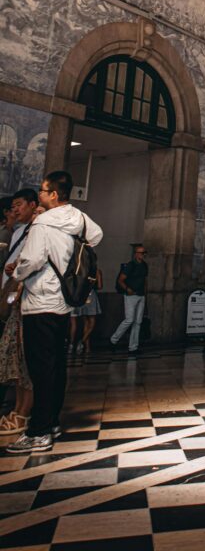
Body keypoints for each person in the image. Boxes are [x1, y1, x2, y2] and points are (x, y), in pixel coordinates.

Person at [6, 170, 103, 454]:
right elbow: (96, 236)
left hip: (40, 302)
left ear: (54, 195)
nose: (40, 194)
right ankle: (52, 422)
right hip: (63, 301)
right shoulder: (79, 219)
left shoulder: (43, 224)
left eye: (44, 191)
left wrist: (18, 272)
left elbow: (33, 260)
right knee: (56, 366)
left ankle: (39, 432)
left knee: (41, 369)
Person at [0, 188, 40, 437]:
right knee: (14, 356)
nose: (15, 209)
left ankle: (24, 412)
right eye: (13, 205)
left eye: (19, 204)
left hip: (30, 301)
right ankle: (16, 408)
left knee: (27, 358)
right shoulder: (17, 232)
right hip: (14, 298)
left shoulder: (38, 232)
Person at [110, 244, 148, 355]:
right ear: (136, 254)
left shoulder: (145, 265)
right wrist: (127, 289)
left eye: (144, 252)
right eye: (141, 252)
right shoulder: (130, 265)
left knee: (138, 322)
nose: (143, 255)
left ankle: (133, 347)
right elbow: (120, 280)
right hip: (131, 295)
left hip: (141, 295)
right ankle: (113, 340)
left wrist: (146, 293)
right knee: (129, 320)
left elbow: (145, 280)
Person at [68, 265, 103, 354]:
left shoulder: (81, 271)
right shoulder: (97, 271)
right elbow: (99, 286)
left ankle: (87, 348)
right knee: (92, 323)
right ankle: (82, 342)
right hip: (91, 296)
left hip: (82, 297)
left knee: (86, 324)